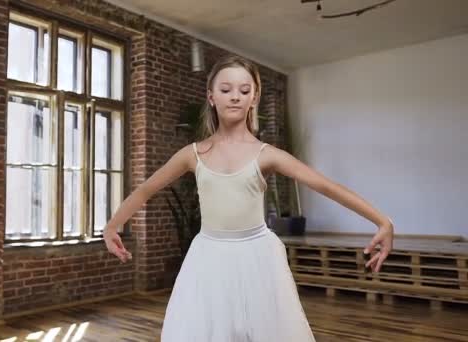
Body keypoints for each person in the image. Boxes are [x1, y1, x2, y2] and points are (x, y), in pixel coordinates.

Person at [103, 55, 394, 341]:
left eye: (244, 91)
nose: (235, 97)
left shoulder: (267, 155)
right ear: (211, 97)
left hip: (258, 256)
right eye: (225, 90)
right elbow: (145, 190)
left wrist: (382, 221)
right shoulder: (192, 155)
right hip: (208, 257)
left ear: (254, 98)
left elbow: (326, 186)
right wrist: (113, 225)